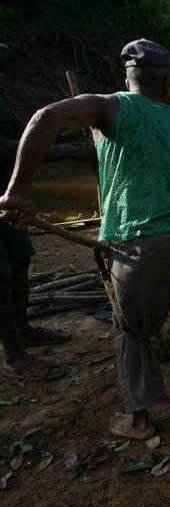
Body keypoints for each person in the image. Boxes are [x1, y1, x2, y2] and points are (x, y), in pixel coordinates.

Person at [0, 39, 170, 440]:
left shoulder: (109, 107)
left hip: (139, 244)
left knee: (135, 331)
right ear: (167, 85)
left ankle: (140, 420)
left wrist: (17, 191)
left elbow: (45, 117)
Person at [0, 100, 73, 380]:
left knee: (20, 262)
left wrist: (59, 134)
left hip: (9, 200)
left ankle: (23, 330)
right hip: (8, 197)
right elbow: (10, 146)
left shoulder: (3, 106)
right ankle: (14, 357)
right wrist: (68, 151)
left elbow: (27, 131)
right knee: (1, 279)